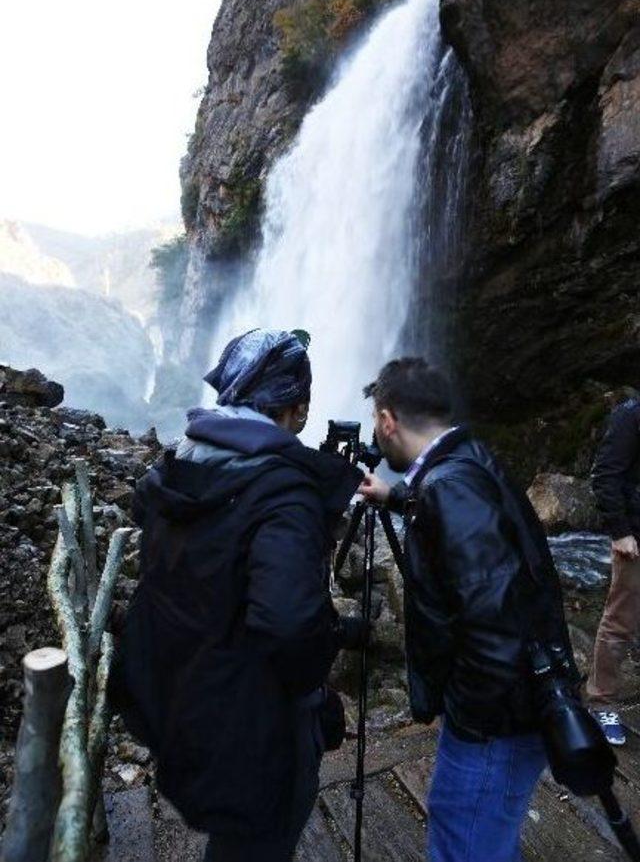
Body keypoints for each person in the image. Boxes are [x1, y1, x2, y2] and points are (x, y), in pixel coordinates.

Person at [109, 329, 364, 862]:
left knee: (237, 838)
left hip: (187, 687)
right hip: (255, 716)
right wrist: (333, 638)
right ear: (298, 406)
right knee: (261, 837)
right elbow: (288, 626)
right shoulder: (282, 493)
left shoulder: (179, 463)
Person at [359, 357, 579, 862]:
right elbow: (464, 527)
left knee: (465, 838)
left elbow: (495, 621)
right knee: (483, 834)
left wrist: (465, 718)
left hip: (495, 721)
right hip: (521, 703)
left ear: (388, 420)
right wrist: (395, 498)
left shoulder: (450, 487)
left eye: (376, 421)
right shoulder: (465, 460)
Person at [586, 396, 640, 746]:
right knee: (620, 621)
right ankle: (601, 701)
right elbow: (605, 474)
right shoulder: (631, 416)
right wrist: (620, 531)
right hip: (635, 537)